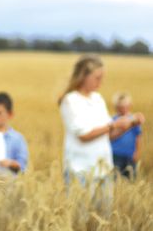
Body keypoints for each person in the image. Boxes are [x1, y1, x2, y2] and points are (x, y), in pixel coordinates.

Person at [58, 54, 145, 185]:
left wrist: (130, 124)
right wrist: (114, 125)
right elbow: (84, 135)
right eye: (97, 78)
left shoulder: (97, 99)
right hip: (79, 171)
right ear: (83, 76)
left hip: (103, 170)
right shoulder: (70, 100)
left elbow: (108, 135)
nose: (100, 82)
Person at [110, 92, 143, 179]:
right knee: (115, 178)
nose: (123, 109)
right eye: (120, 107)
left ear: (130, 106)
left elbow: (138, 137)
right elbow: (109, 136)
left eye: (125, 106)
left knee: (131, 178)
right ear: (116, 107)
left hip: (130, 154)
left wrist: (137, 152)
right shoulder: (113, 120)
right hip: (115, 154)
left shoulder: (134, 120)